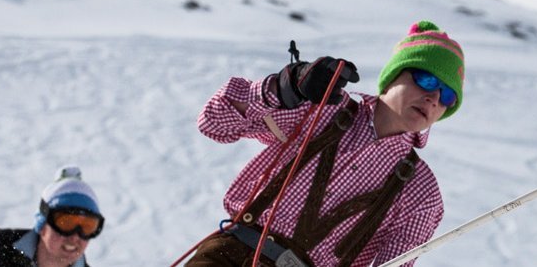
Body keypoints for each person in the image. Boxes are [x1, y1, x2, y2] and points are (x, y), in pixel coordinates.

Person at [188, 21, 461, 267]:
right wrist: (285, 88)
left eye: (447, 96)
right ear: (392, 77)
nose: (433, 98)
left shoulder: (422, 191)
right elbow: (214, 122)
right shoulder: (323, 107)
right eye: (426, 80)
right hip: (230, 256)